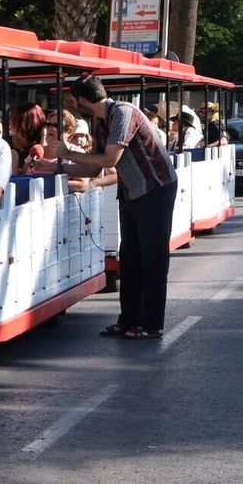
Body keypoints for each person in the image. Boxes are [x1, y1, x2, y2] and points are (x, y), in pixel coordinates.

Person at [44, 75, 176, 340]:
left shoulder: (124, 113)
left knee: (152, 258)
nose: (74, 104)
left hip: (155, 189)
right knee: (130, 257)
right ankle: (128, 320)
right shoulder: (101, 120)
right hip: (132, 192)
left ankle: (152, 324)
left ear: (82, 99)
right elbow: (94, 166)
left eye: (74, 100)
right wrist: (55, 167)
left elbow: (110, 158)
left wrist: (65, 153)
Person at [8, 102, 46, 172]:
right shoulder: (5, 143)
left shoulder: (39, 145)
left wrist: (43, 138)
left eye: (16, 121)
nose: (11, 124)